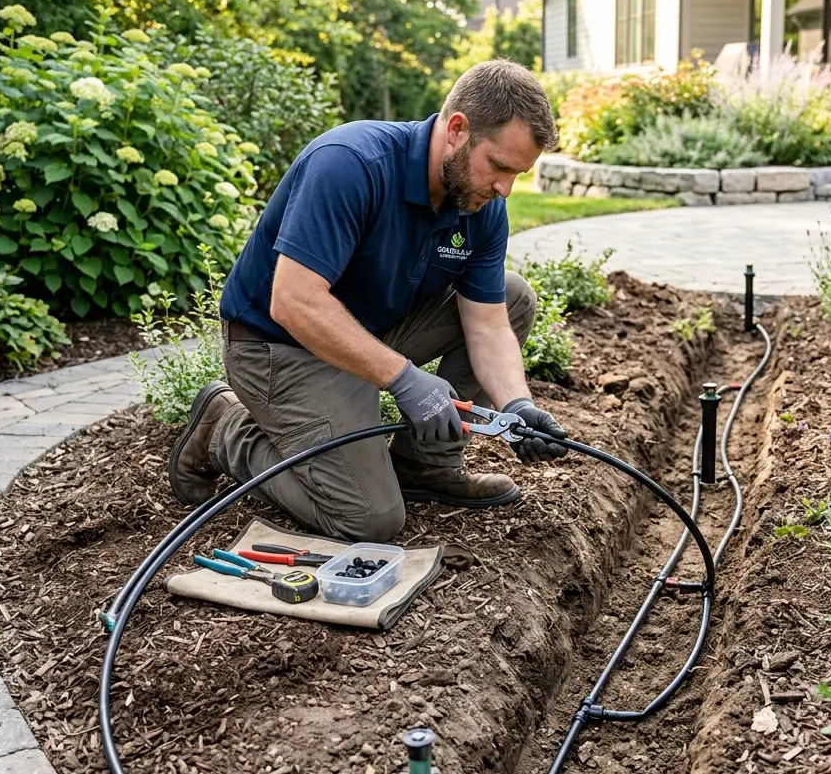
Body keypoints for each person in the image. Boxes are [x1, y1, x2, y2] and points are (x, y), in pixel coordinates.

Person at [166, 59, 571, 543]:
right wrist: (403, 379)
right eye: (500, 167)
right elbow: (293, 303)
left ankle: (425, 464)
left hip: (367, 332)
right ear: (458, 130)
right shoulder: (351, 164)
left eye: (517, 174)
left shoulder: (479, 204)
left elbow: (486, 324)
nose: (505, 188)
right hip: (279, 348)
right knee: (368, 519)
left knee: (512, 297)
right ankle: (225, 430)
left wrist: (517, 406)